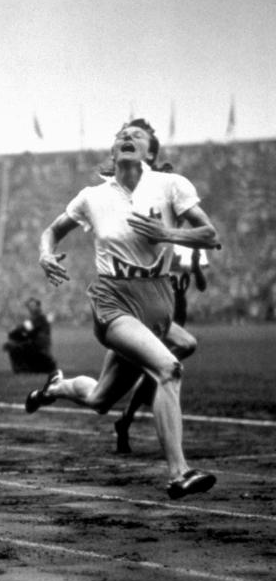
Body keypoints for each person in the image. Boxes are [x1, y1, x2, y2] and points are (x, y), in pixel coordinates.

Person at [26, 118, 221, 499]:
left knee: (100, 399)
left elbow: (210, 235)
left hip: (159, 300)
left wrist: (168, 233)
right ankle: (179, 472)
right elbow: (52, 231)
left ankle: (56, 386)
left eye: (137, 136)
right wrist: (45, 255)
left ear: (150, 152)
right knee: (168, 369)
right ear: (112, 152)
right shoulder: (92, 197)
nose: (128, 138)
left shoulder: (171, 186)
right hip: (114, 299)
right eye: (121, 136)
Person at [111, 238, 210, 454]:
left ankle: (126, 421)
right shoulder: (152, 249)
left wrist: (194, 265)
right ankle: (128, 422)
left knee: (155, 375)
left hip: (176, 319)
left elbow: (201, 285)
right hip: (154, 316)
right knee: (155, 372)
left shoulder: (186, 249)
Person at [3, 297, 56, 374]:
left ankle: (21, 369)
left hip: (40, 350)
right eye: (29, 306)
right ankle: (25, 368)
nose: (31, 308)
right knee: (16, 344)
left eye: (33, 306)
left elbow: (24, 329)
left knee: (11, 345)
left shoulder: (40, 318)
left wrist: (13, 331)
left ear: (38, 306)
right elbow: (25, 330)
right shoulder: (35, 318)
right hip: (38, 349)